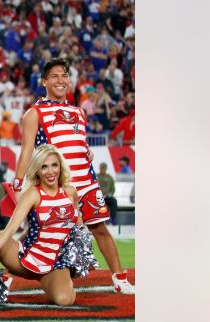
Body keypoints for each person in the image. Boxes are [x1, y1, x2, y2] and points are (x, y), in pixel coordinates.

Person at [16, 58, 133, 294]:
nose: (61, 80)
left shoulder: (79, 112)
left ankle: (120, 279)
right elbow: (27, 150)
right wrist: (18, 183)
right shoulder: (35, 112)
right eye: (55, 76)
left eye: (64, 75)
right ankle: (10, 271)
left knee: (100, 229)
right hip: (58, 187)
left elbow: (78, 143)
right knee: (40, 232)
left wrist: (85, 151)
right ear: (44, 82)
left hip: (87, 183)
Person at [0, 145, 82, 306]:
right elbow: (10, 229)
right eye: (44, 167)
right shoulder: (33, 194)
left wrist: (78, 258)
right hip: (25, 258)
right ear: (37, 170)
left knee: (64, 300)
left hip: (55, 263)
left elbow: (78, 227)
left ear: (61, 166)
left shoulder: (70, 192)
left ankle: (54, 282)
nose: (50, 171)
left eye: (54, 165)